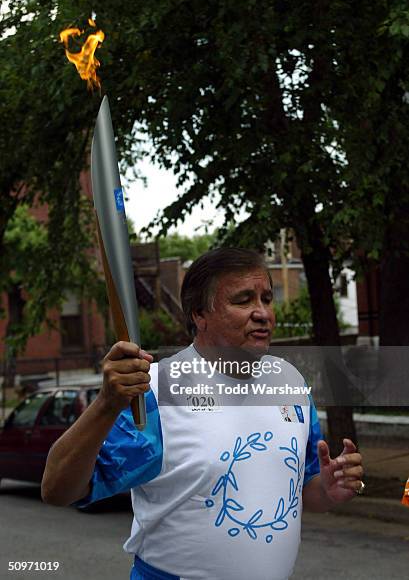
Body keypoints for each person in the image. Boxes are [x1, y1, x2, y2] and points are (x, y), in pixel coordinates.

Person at [42, 248, 364, 580]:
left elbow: (304, 490)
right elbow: (58, 489)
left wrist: (327, 489)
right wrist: (106, 405)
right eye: (243, 301)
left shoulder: (290, 381)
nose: (263, 313)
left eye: (267, 299)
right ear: (199, 314)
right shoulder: (155, 391)